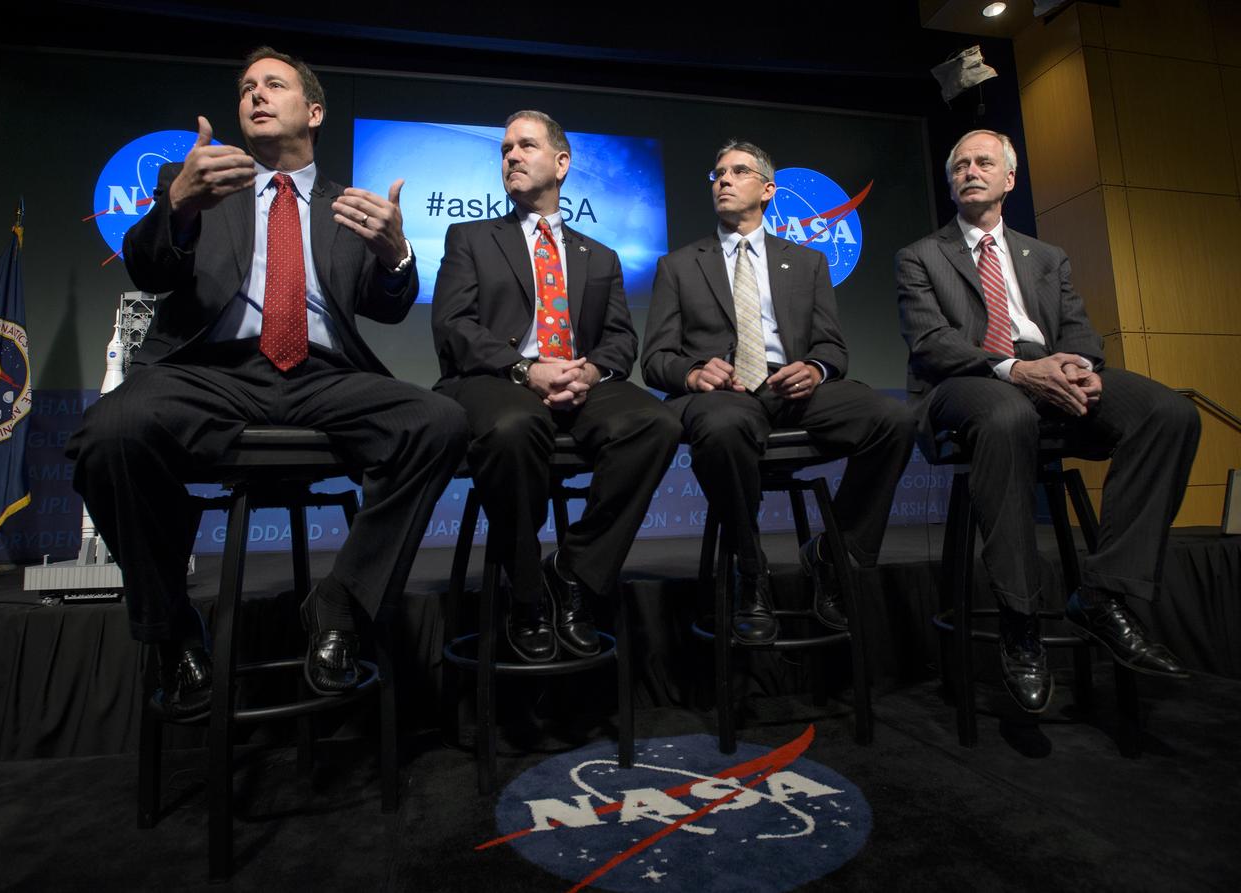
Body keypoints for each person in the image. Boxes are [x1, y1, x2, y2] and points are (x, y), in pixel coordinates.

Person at [67, 47, 468, 716]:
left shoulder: (347, 205)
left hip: (322, 375)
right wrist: (179, 206)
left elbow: (388, 303)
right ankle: (168, 627)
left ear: (313, 112)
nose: (255, 94)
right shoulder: (197, 183)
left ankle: (342, 600)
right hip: (212, 373)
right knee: (111, 430)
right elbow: (147, 266)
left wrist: (397, 255)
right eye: (247, 87)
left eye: (273, 84)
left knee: (441, 421)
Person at [896, 129, 1200, 712]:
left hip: (1052, 372)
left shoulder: (1046, 256)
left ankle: (1104, 595)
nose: (969, 170)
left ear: (1009, 179)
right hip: (968, 382)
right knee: (1009, 416)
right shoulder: (920, 255)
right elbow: (931, 343)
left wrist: (1080, 367)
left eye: (984, 162)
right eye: (959, 164)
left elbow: (1081, 330)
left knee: (1169, 414)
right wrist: (1014, 369)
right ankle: (1020, 620)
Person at [431, 110, 680, 663]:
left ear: (562, 163)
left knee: (657, 423)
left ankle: (572, 573)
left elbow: (619, 340)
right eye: (503, 150)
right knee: (515, 425)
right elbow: (453, 326)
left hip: (578, 381)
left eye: (525, 146)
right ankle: (524, 595)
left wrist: (588, 372)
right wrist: (526, 370)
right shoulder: (470, 237)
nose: (511, 157)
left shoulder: (601, 255)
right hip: (494, 380)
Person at [642, 140, 915, 644]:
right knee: (724, 426)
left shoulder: (807, 263)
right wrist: (694, 371)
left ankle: (836, 556)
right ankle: (752, 572)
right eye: (717, 172)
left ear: (767, 190)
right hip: (723, 393)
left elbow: (832, 346)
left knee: (893, 419)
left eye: (737, 171)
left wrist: (814, 367)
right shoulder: (679, 266)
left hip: (790, 386)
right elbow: (655, 359)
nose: (723, 180)